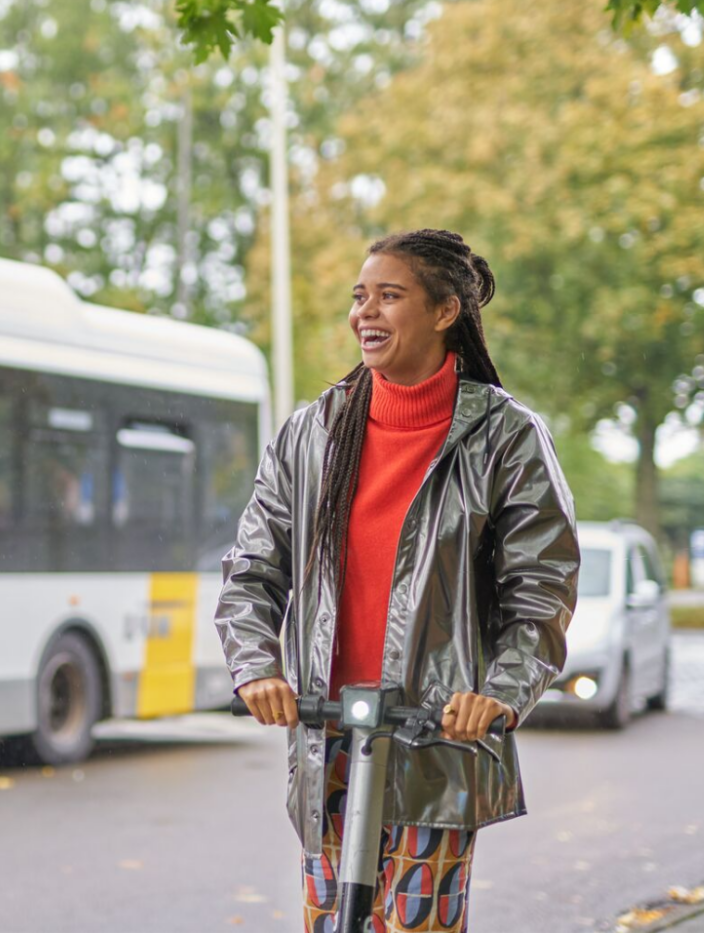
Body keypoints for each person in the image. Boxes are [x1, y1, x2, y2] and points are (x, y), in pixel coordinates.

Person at [216, 229, 579, 932]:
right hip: (329, 742)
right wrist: (257, 666)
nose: (365, 313)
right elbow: (253, 569)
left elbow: (541, 589)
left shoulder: (505, 438)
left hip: (436, 741)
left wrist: (498, 694)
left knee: (416, 927)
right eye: (360, 297)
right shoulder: (310, 434)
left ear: (445, 312)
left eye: (389, 295)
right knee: (332, 923)